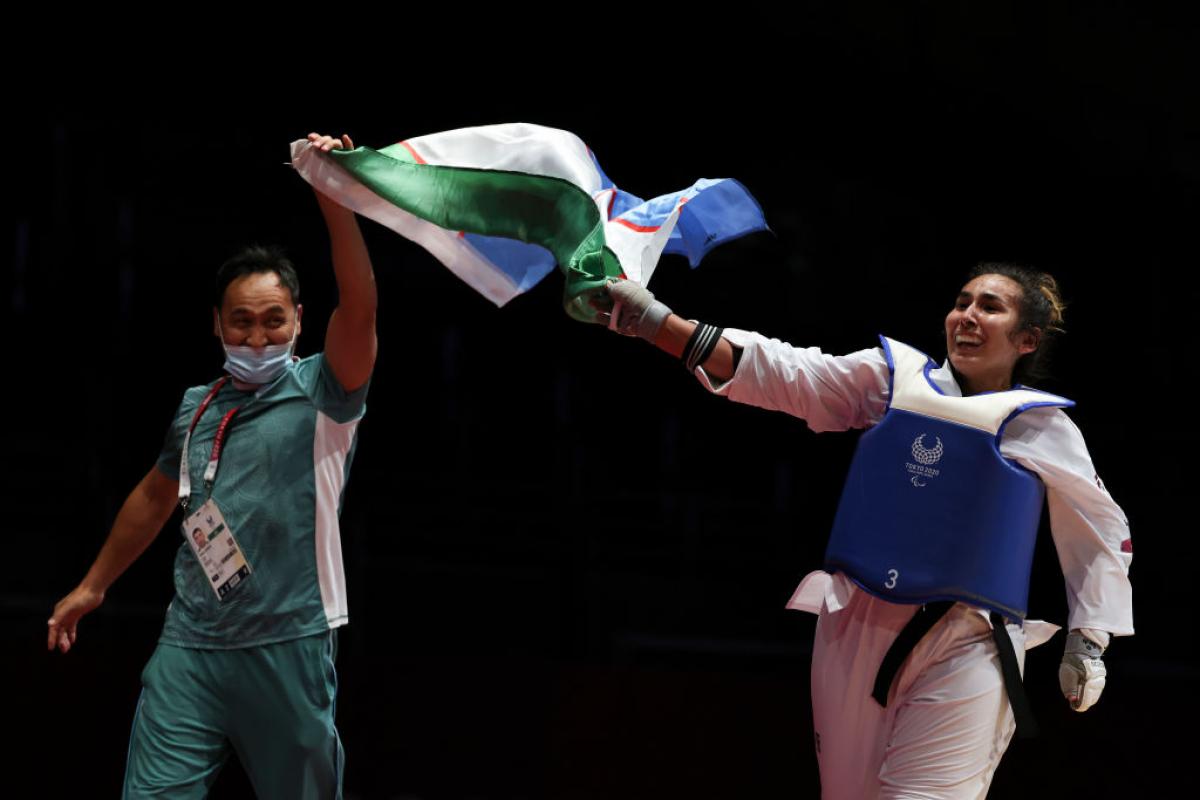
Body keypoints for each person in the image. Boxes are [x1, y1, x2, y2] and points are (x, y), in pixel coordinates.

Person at [597, 263, 1133, 799]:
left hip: (968, 641)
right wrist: (658, 323)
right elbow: (790, 373)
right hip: (854, 625)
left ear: (1027, 339)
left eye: (990, 307)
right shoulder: (891, 380)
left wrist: (1088, 639)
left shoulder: (1042, 427)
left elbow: (1099, 529)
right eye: (962, 301)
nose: (968, 316)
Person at [46, 132, 376, 799]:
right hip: (191, 643)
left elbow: (360, 306)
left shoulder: (327, 389)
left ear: (299, 320)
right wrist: (95, 584)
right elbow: (156, 493)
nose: (257, 337)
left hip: (289, 643)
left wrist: (335, 200)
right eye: (242, 323)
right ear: (218, 325)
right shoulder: (197, 408)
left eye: (273, 321)